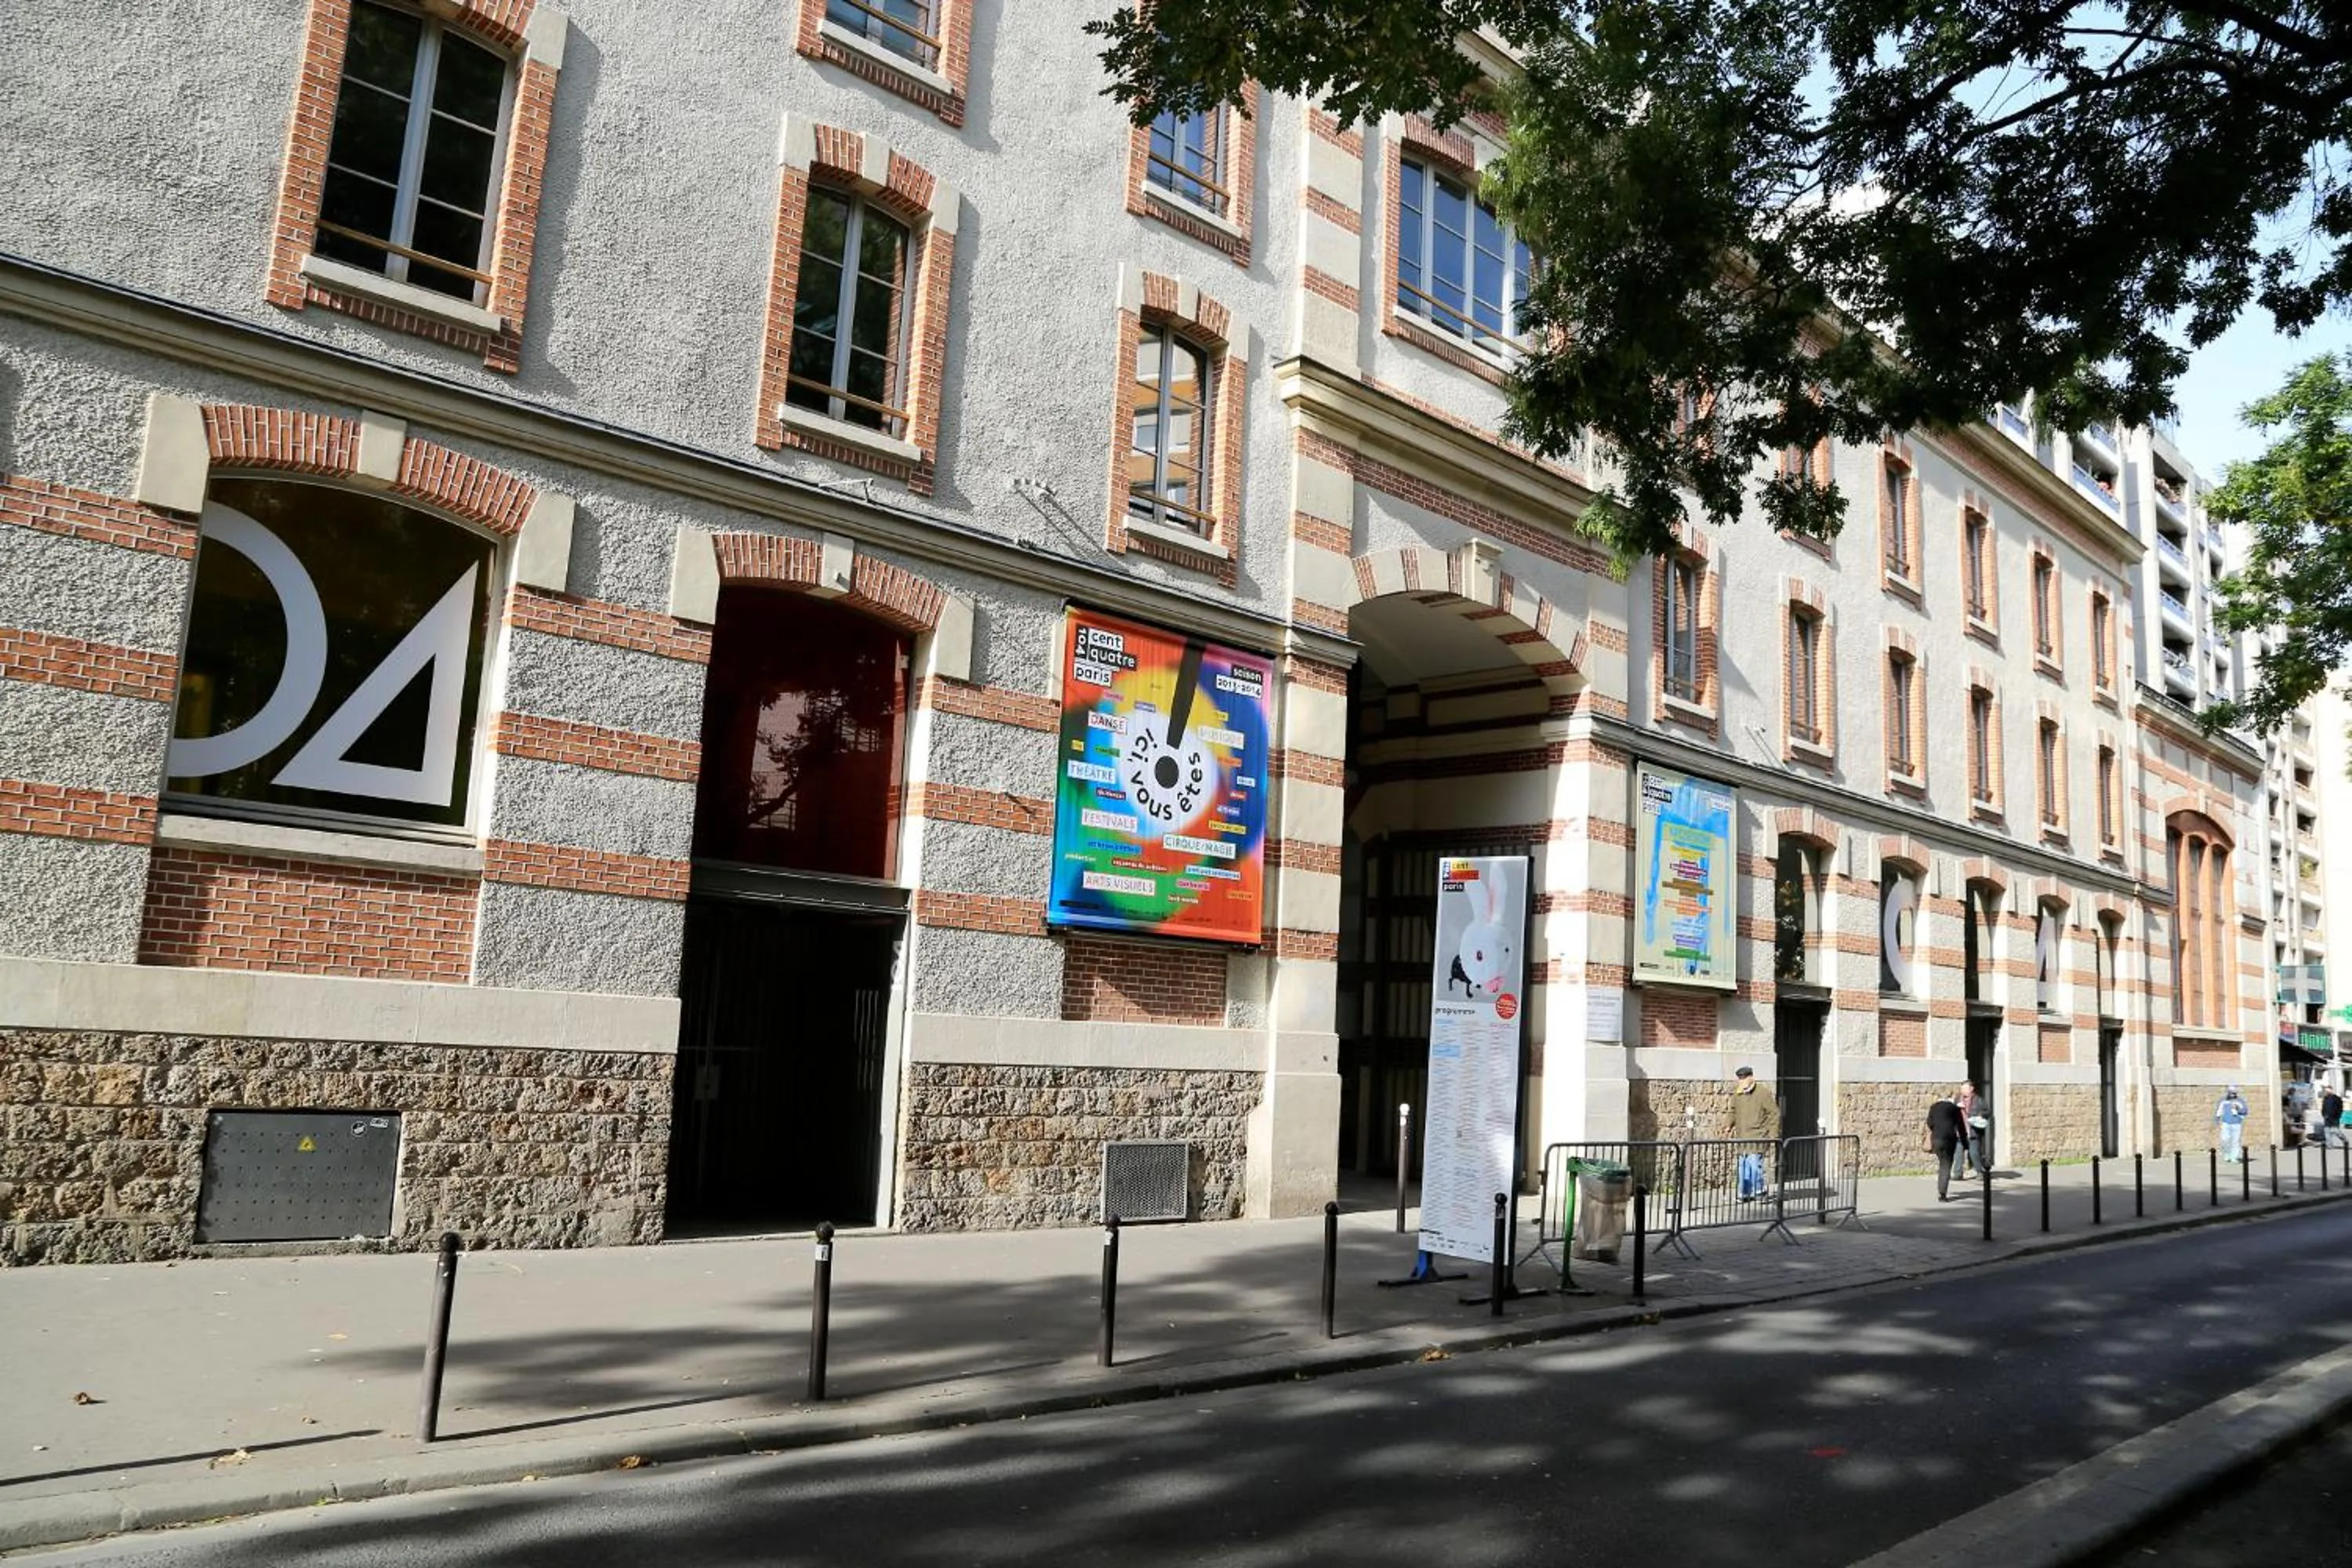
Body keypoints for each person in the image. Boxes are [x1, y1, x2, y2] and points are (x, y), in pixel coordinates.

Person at [1729, 1065, 1779, 1200]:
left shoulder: (1762, 1093)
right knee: (1743, 1166)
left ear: (1751, 1078)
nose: (1741, 1082)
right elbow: (1733, 1111)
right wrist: (1727, 1125)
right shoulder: (1738, 1094)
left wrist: (1773, 1134)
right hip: (1742, 1136)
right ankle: (1744, 1193)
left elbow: (1773, 1113)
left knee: (1755, 1165)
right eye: (1740, 1079)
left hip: (1757, 1136)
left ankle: (1759, 1191)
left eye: (1744, 1079)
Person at [1926, 1091, 1967, 1201]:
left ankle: (1941, 1187)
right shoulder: (1954, 1109)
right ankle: (1942, 1193)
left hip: (1936, 1139)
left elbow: (1929, 1123)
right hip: (1949, 1139)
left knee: (1942, 1162)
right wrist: (1965, 1143)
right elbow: (1961, 1127)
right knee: (1946, 1165)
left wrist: (1937, 1129)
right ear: (1951, 1096)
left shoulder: (1933, 1107)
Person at [1955, 1080, 1990, 1178]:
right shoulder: (1958, 1099)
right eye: (1962, 1089)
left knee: (1974, 1153)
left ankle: (1979, 1171)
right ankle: (1958, 1173)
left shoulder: (1979, 1100)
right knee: (1958, 1153)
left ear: (1971, 1089)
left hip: (1973, 1131)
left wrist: (1979, 1116)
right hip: (1960, 1131)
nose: (1963, 1091)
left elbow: (1987, 1112)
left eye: (1965, 1088)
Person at [2213, 1085, 2250, 1164]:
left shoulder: (2240, 1101)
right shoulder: (2223, 1100)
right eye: (2231, 1093)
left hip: (2237, 1123)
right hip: (2226, 1122)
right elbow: (2219, 1110)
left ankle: (2234, 1157)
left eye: (2234, 1093)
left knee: (2235, 1141)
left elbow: (2245, 1111)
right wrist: (2217, 1119)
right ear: (2228, 1093)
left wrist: (2238, 1109)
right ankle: (2227, 1154)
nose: (2233, 1095)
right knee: (2225, 1139)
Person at [2324, 1086, 2346, 1150]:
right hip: (2327, 1118)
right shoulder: (2325, 1098)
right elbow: (2324, 1108)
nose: (2326, 1092)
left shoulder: (2337, 1098)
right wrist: (2324, 1114)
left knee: (2336, 1131)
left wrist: (2339, 1115)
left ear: (2331, 1090)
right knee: (2327, 1131)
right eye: (2326, 1091)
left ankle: (2345, 1140)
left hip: (2334, 1118)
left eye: (2328, 1091)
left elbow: (2340, 1108)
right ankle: (2329, 1146)